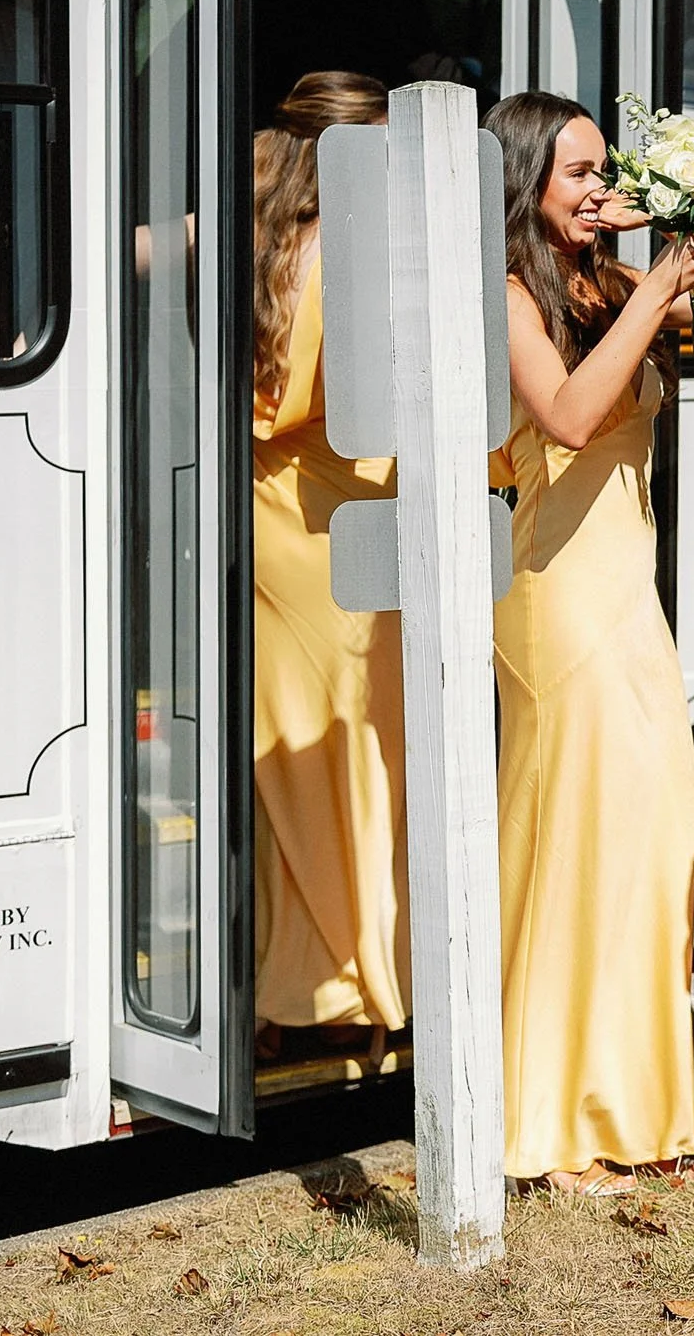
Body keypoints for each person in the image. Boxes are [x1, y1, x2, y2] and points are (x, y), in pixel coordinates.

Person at [486, 89, 694, 1196]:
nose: (603, 191)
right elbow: (562, 414)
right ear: (527, 185)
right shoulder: (511, 294)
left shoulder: (605, 283)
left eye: (611, 172)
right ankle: (556, 1117)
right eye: (582, 174)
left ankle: (629, 1086)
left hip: (626, 596)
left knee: (654, 838)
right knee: (577, 846)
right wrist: (655, 286)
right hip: (556, 599)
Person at [249, 70, 404, 1052]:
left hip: (274, 521)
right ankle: (358, 980)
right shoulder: (347, 252)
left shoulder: (264, 236)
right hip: (336, 527)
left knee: (295, 762)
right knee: (359, 750)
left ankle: (300, 984)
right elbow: (332, 400)